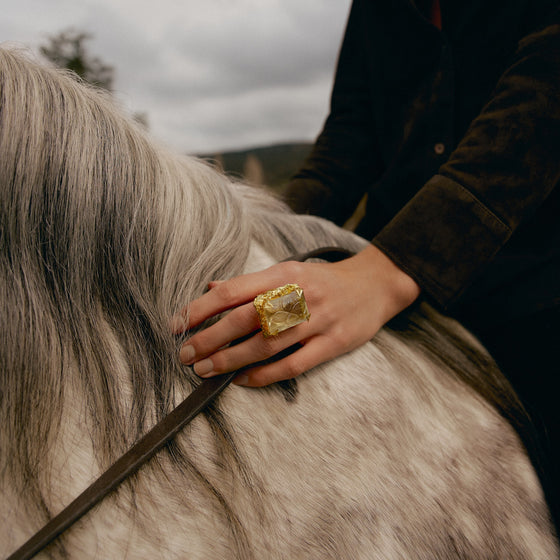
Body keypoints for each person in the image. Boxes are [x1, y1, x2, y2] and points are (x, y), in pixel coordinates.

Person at [176, 0, 560, 528]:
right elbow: (349, 139)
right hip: (383, 283)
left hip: (535, 289)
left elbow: (542, 103)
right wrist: (254, 248)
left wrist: (385, 272)